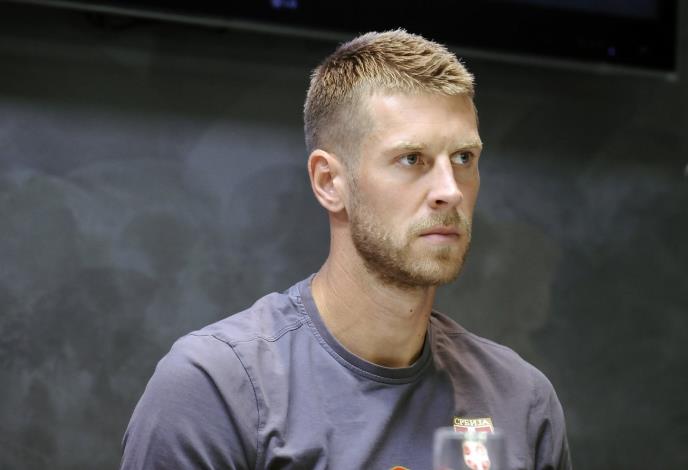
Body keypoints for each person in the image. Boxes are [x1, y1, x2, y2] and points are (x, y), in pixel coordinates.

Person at [120, 30, 572, 469]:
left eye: (463, 158)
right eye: (411, 159)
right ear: (329, 182)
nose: (449, 191)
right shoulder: (219, 390)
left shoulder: (519, 400)